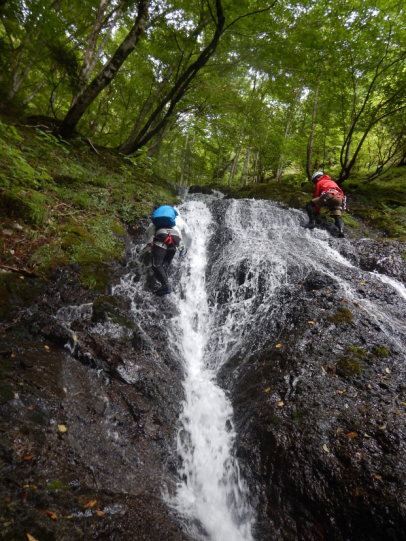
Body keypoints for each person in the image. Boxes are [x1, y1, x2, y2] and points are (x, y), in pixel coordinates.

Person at [145, 205, 190, 296]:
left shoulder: (155, 222)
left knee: (156, 265)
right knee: (165, 264)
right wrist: (186, 247)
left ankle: (166, 286)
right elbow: (188, 235)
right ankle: (164, 284)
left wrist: (150, 243)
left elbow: (148, 236)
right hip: (176, 241)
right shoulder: (179, 221)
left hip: (162, 238)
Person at [303, 171, 346, 237]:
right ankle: (341, 231)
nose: (315, 183)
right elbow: (341, 192)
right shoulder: (332, 182)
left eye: (314, 181)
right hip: (339, 199)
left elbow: (317, 196)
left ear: (317, 178)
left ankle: (312, 223)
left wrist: (317, 212)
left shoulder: (319, 182)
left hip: (329, 196)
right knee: (337, 216)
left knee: (309, 204)